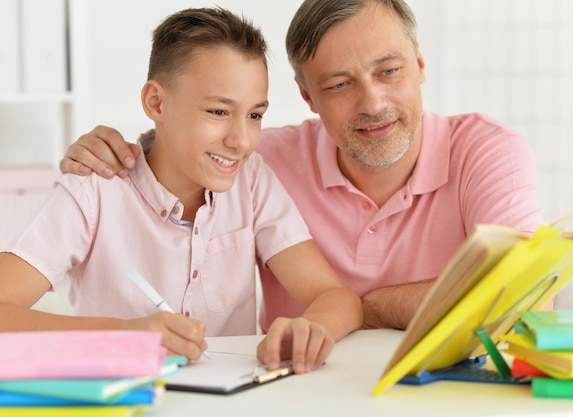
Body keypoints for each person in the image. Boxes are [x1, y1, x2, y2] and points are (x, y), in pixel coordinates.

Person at [60, 0, 542, 332]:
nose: (372, 103)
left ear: (419, 66)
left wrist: (367, 308)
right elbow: (189, 146)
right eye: (338, 84)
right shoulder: (255, 163)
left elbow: (528, 295)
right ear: (308, 97)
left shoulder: (487, 151)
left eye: (389, 71)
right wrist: (116, 153)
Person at [0, 7, 362, 375]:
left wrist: (312, 327)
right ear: (156, 102)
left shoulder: (251, 181)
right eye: (219, 112)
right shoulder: (94, 189)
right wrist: (125, 336)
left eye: (254, 115)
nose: (241, 140)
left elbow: (336, 298)